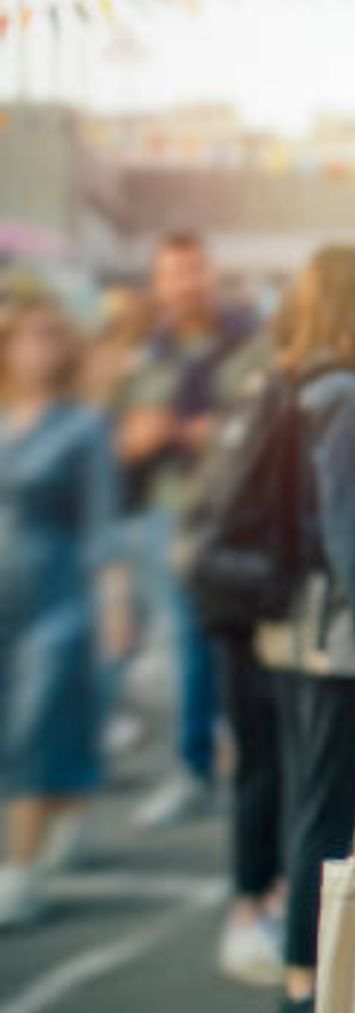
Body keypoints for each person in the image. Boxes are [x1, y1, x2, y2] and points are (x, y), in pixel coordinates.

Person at [254, 245, 355, 1012]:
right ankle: (308, 981)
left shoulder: (300, 382)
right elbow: (348, 523)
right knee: (328, 803)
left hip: (295, 619)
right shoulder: (344, 392)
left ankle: (303, 972)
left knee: (309, 797)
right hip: (332, 627)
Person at [116, 231, 264, 832]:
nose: (185, 284)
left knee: (213, 641)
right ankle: (200, 763)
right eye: (173, 273)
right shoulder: (147, 355)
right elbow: (118, 440)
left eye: (194, 271)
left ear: (212, 274)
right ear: (158, 283)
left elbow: (262, 422)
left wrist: (212, 430)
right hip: (163, 513)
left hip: (230, 516)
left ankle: (205, 764)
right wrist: (139, 437)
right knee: (184, 644)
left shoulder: (251, 344)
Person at [0, 294, 133, 929]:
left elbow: (103, 523)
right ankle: (65, 810)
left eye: (53, 336)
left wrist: (113, 605)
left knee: (35, 723)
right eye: (28, 336)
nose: (39, 349)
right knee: (18, 724)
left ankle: (19, 871)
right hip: (5, 597)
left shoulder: (83, 428)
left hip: (58, 595)